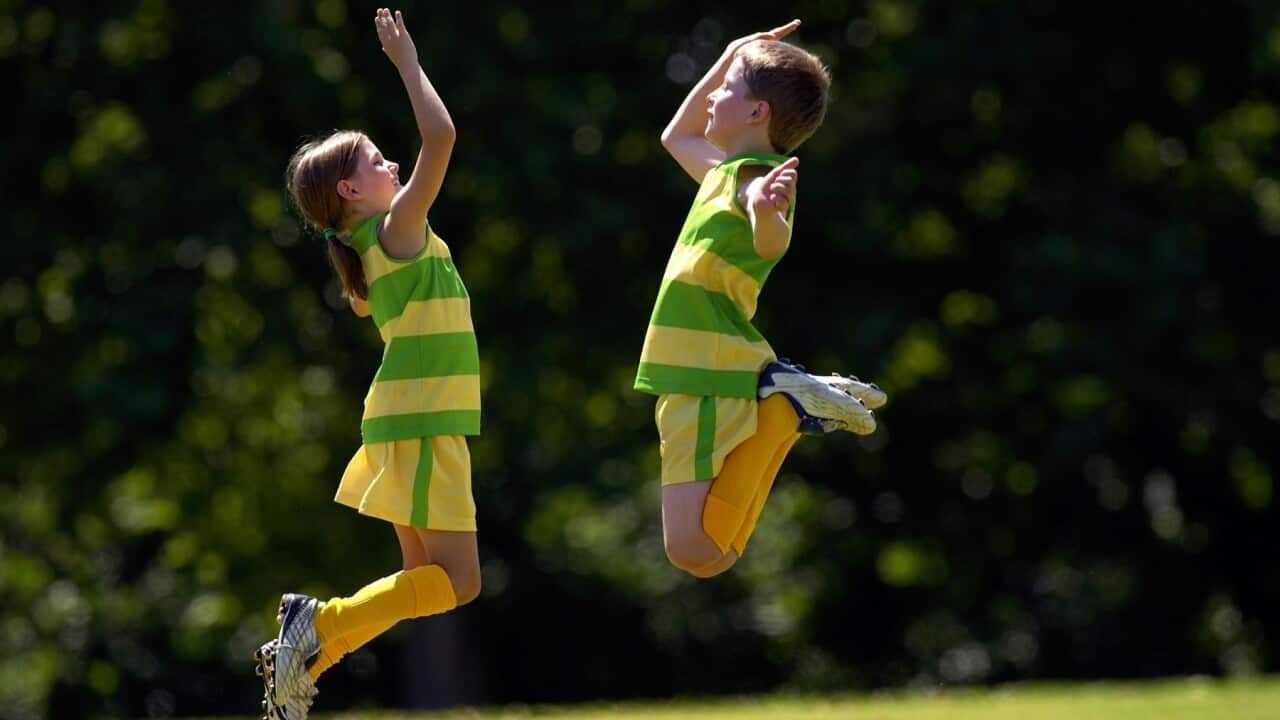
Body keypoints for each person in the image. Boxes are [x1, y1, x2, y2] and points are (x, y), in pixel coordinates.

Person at [254, 9, 480, 719]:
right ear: (352, 193)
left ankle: (308, 655)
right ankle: (316, 629)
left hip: (403, 418)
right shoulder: (397, 230)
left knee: (424, 581)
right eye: (377, 161)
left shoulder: (369, 247)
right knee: (458, 584)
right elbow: (440, 139)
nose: (391, 165)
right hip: (420, 419)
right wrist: (408, 64)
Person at [635, 19, 888, 580]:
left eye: (727, 87)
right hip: (699, 367)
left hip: (705, 368)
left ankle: (781, 413)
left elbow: (769, 237)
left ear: (756, 113)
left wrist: (768, 213)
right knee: (713, 552)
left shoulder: (757, 181)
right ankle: (784, 412)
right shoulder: (721, 176)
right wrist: (730, 56)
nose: (715, 94)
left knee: (696, 551)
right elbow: (675, 137)